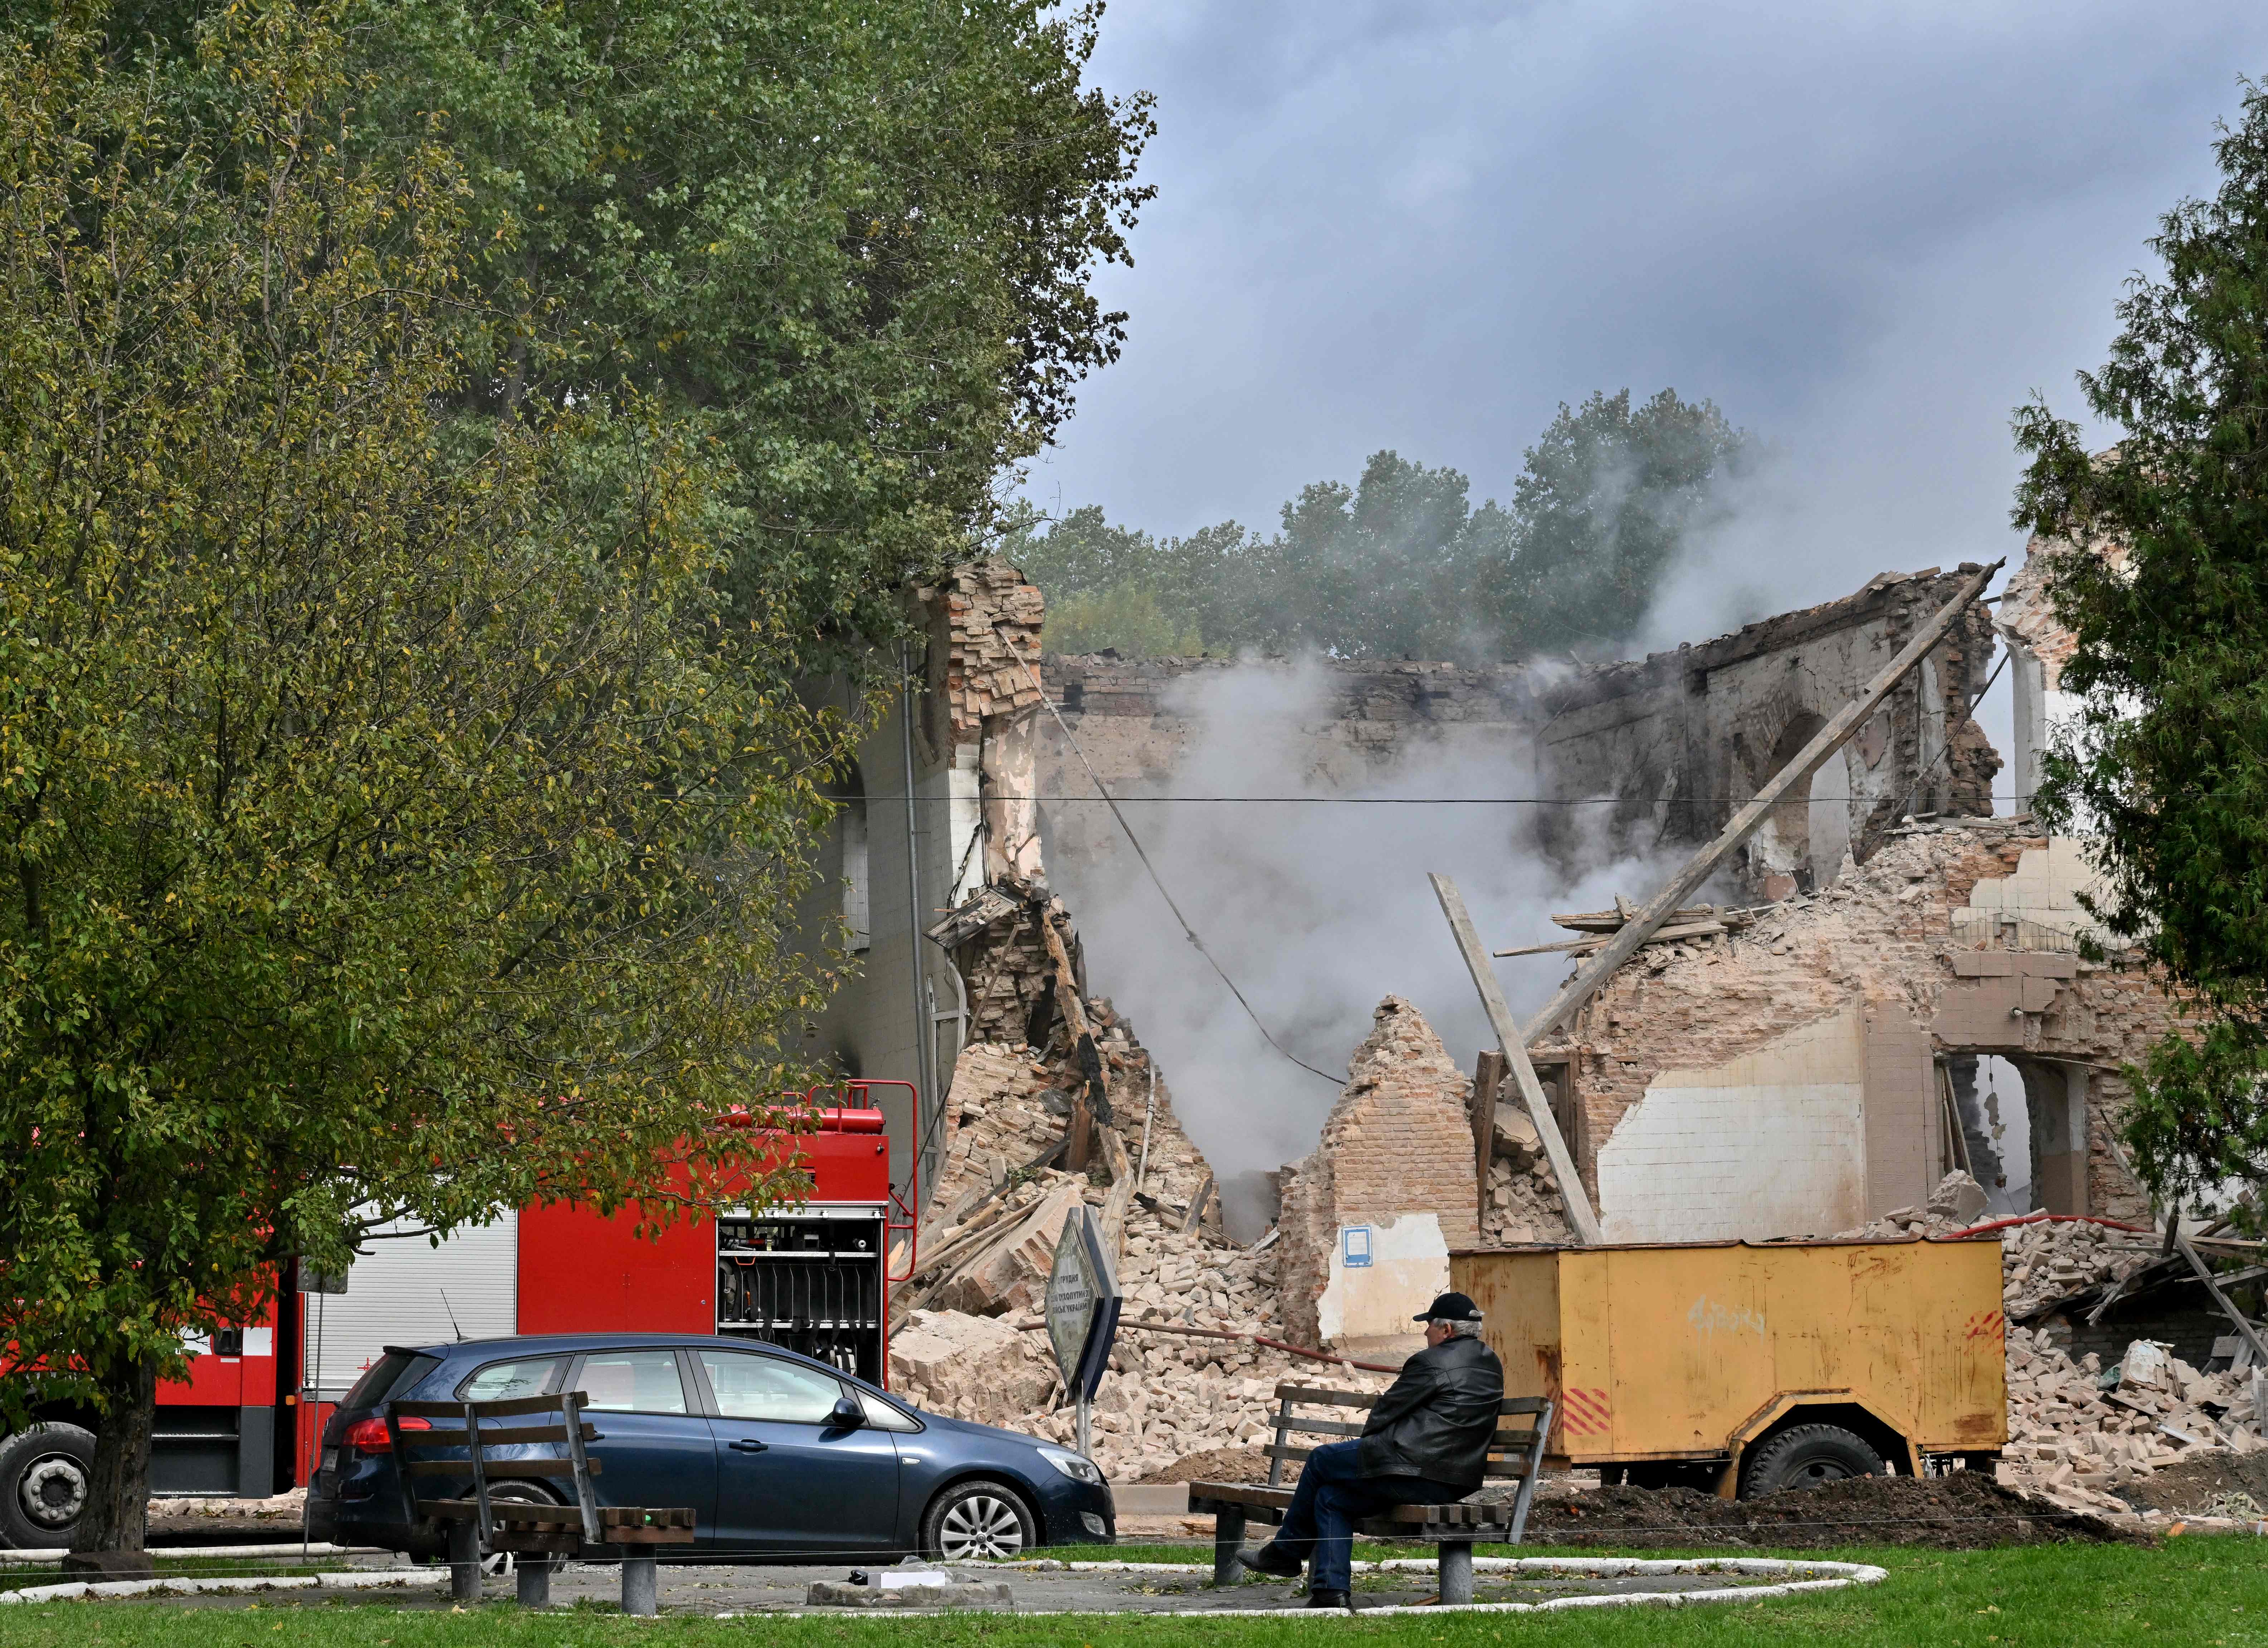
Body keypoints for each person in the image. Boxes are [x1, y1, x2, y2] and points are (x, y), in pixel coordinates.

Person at [1239, 1291, 1505, 1609]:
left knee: (1321, 1459)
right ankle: (1330, 1592)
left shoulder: (1430, 1361)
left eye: (1429, 1325)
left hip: (1414, 1469)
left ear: (1446, 1329)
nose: (1425, 1332)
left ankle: (1284, 1552)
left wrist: (1372, 1445)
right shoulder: (1492, 1364)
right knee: (1331, 1498)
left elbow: (1386, 1410)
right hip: (1456, 1480)